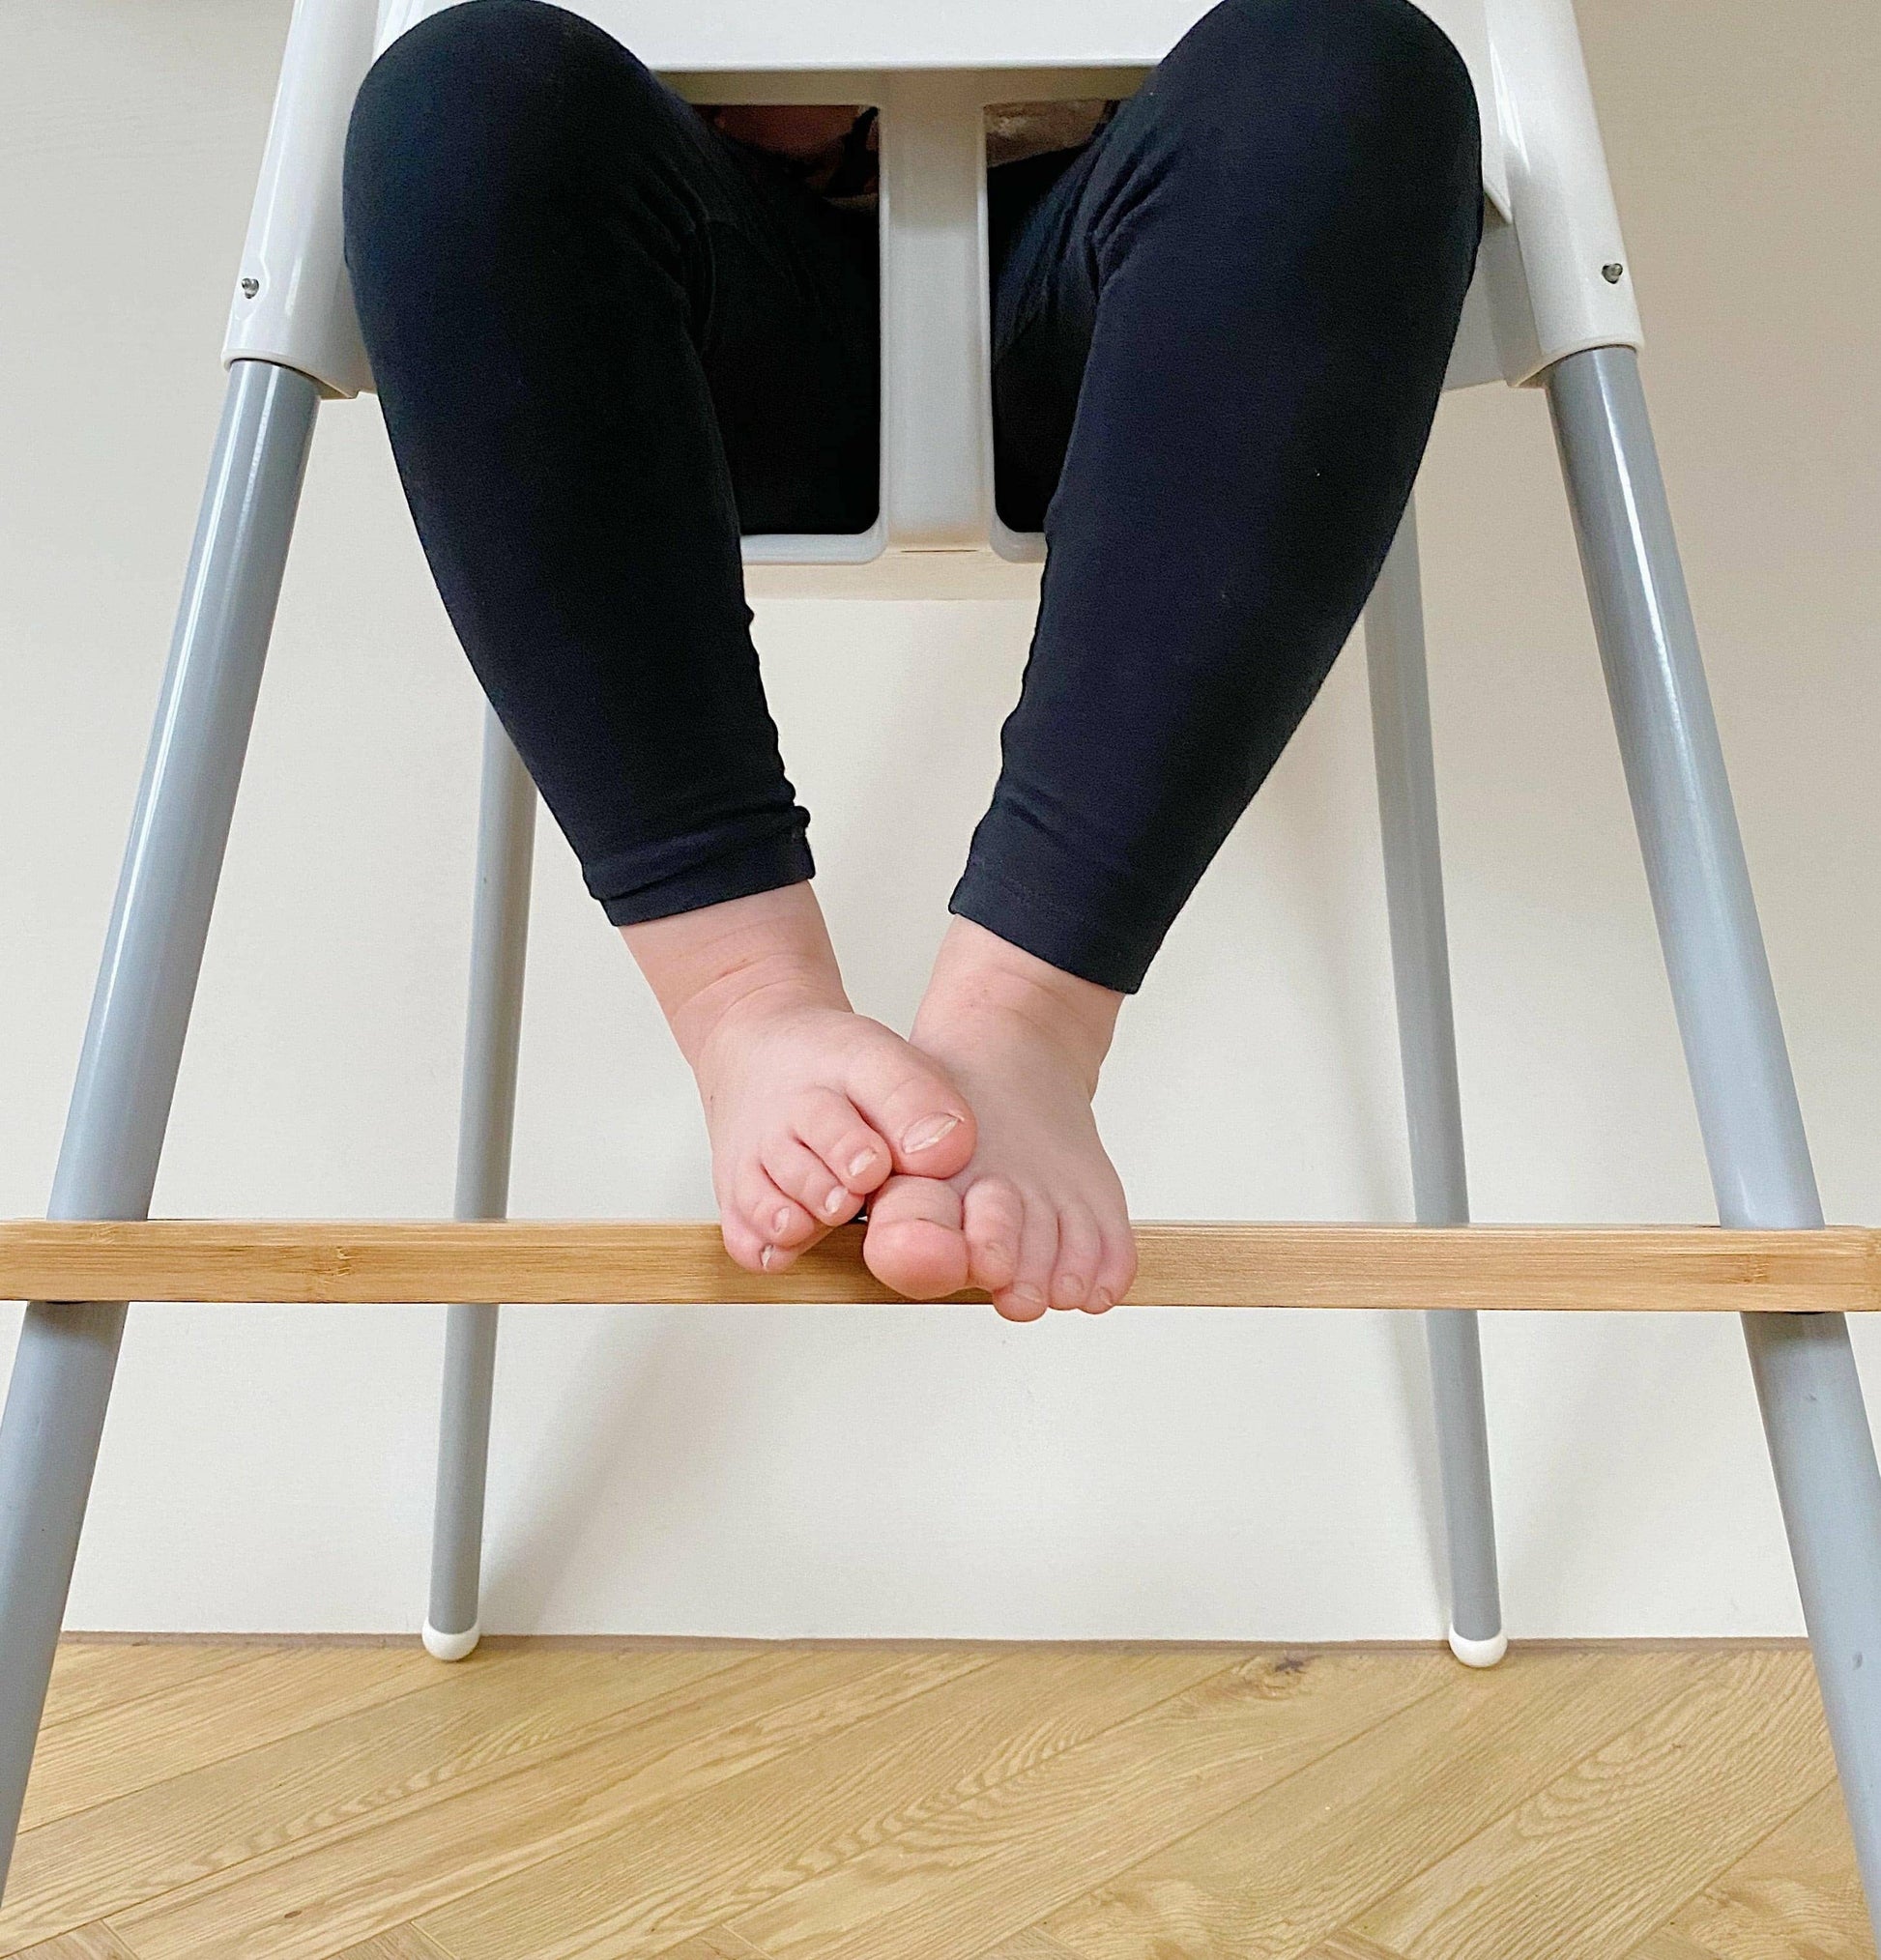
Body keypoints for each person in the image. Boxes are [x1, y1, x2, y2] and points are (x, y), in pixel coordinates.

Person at [341, 0, 1482, 1321]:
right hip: (686, 293)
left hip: (1159, 294)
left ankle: (1026, 1016)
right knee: (464, 93)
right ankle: (741, 995)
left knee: (1342, 67)